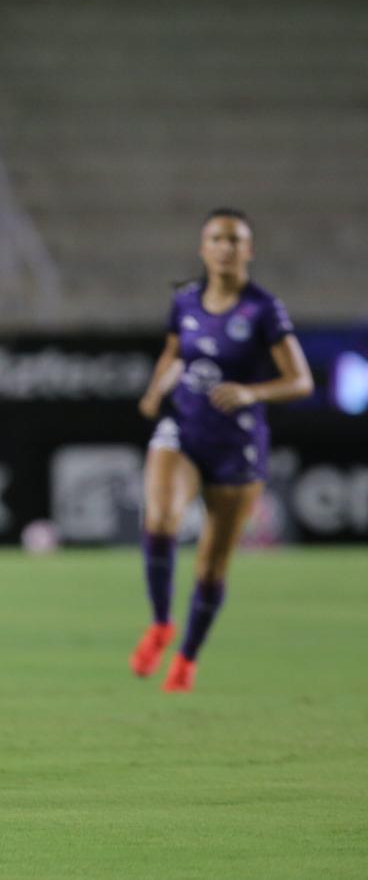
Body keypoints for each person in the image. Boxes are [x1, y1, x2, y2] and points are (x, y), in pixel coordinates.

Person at [132, 209, 312, 692]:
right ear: (202, 248)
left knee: (211, 565)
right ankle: (161, 622)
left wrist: (253, 392)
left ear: (248, 250)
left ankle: (187, 657)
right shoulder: (185, 301)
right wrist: (156, 390)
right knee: (161, 518)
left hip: (237, 448)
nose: (226, 247)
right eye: (217, 238)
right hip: (185, 429)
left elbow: (301, 380)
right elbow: (175, 354)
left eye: (236, 240)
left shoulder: (263, 309)